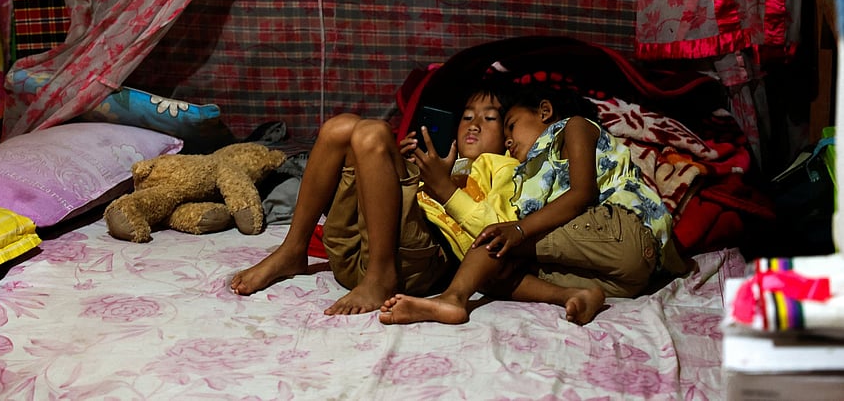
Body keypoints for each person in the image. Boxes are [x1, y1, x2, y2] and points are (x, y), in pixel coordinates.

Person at [379, 84, 688, 326]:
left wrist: (518, 229)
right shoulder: (527, 176)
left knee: (495, 239)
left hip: (620, 228)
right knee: (494, 275)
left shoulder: (573, 127)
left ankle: (453, 298)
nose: (508, 139)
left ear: (544, 111)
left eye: (510, 126)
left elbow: (582, 193)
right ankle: (576, 295)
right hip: (625, 279)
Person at [229, 79, 516, 315]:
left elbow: (499, 231)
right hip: (355, 250)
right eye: (467, 116)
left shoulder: (501, 166)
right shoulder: (439, 160)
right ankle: (292, 250)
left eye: (489, 118)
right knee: (339, 127)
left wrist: (444, 188)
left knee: (374, 133)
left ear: (507, 137)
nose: (475, 123)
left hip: (418, 265)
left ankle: (381, 277)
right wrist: (399, 165)